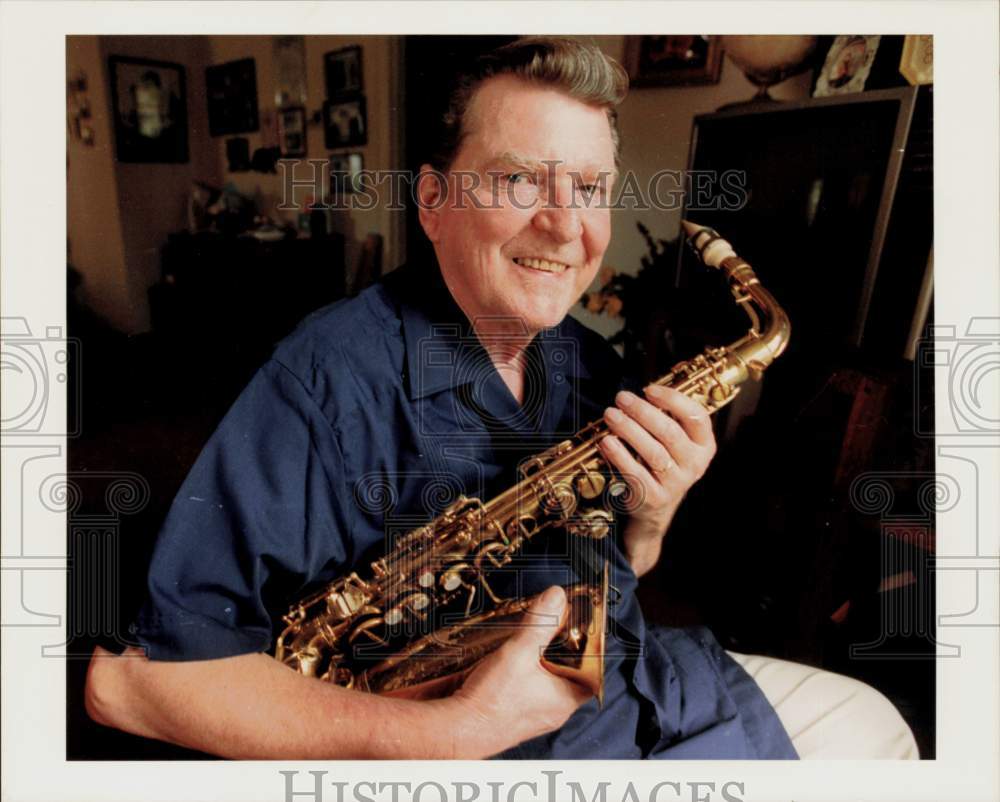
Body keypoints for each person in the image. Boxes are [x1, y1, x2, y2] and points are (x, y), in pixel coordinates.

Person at [86, 37, 917, 760]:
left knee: (874, 726)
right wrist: (449, 736)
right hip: (475, 752)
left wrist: (652, 515)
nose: (566, 227)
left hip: (631, 687)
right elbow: (129, 689)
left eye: (590, 188)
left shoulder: (585, 358)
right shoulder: (324, 382)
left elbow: (625, 569)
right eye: (521, 181)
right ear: (434, 203)